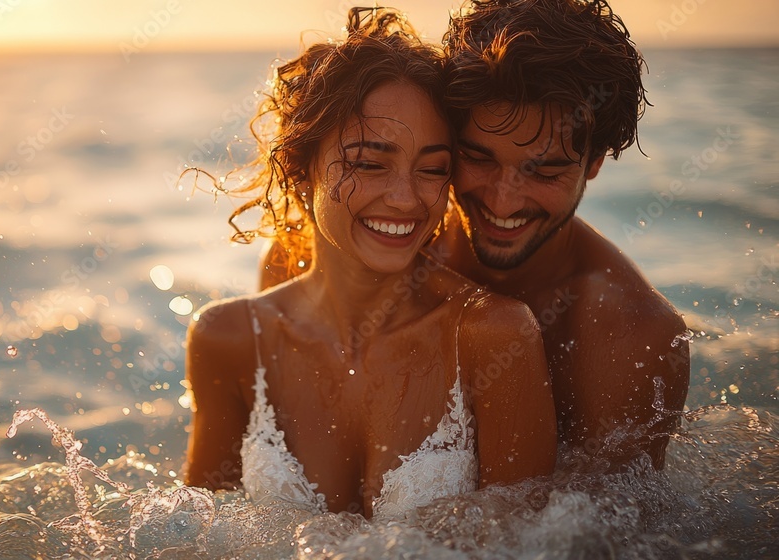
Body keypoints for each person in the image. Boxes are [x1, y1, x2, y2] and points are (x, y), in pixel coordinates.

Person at [261, 0, 691, 472]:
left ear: (593, 164)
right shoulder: (327, 249)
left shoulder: (629, 335)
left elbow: (592, 537)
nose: (503, 202)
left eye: (544, 171)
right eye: (479, 159)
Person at [184, 8, 557, 519]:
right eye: (369, 162)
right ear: (300, 171)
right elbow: (195, 537)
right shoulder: (228, 339)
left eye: (432, 169)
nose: (406, 200)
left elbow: (534, 546)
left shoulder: (492, 335)